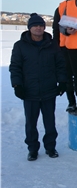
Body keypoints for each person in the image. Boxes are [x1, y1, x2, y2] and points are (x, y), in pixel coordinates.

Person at [10, 13, 67, 161]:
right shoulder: (20, 46)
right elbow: (15, 67)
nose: (38, 28)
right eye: (35, 26)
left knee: (50, 122)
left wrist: (62, 82)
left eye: (41, 26)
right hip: (30, 91)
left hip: (49, 90)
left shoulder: (52, 44)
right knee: (31, 123)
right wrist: (17, 85)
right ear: (29, 28)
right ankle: (33, 149)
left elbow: (61, 65)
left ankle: (50, 147)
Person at [52, 0, 77, 112]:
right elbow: (56, 28)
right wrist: (55, 45)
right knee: (68, 75)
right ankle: (71, 101)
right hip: (64, 46)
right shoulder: (61, 7)